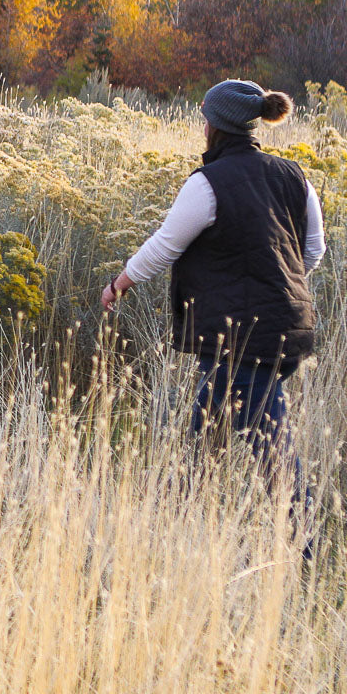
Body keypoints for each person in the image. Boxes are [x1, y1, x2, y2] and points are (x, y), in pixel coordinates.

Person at [101, 79, 326, 508]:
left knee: (274, 453)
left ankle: (306, 547)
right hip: (285, 327)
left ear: (214, 124)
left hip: (239, 337)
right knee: (208, 432)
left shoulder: (208, 183)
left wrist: (118, 285)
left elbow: (165, 246)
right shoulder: (294, 175)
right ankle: (185, 519)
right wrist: (278, 283)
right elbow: (312, 251)